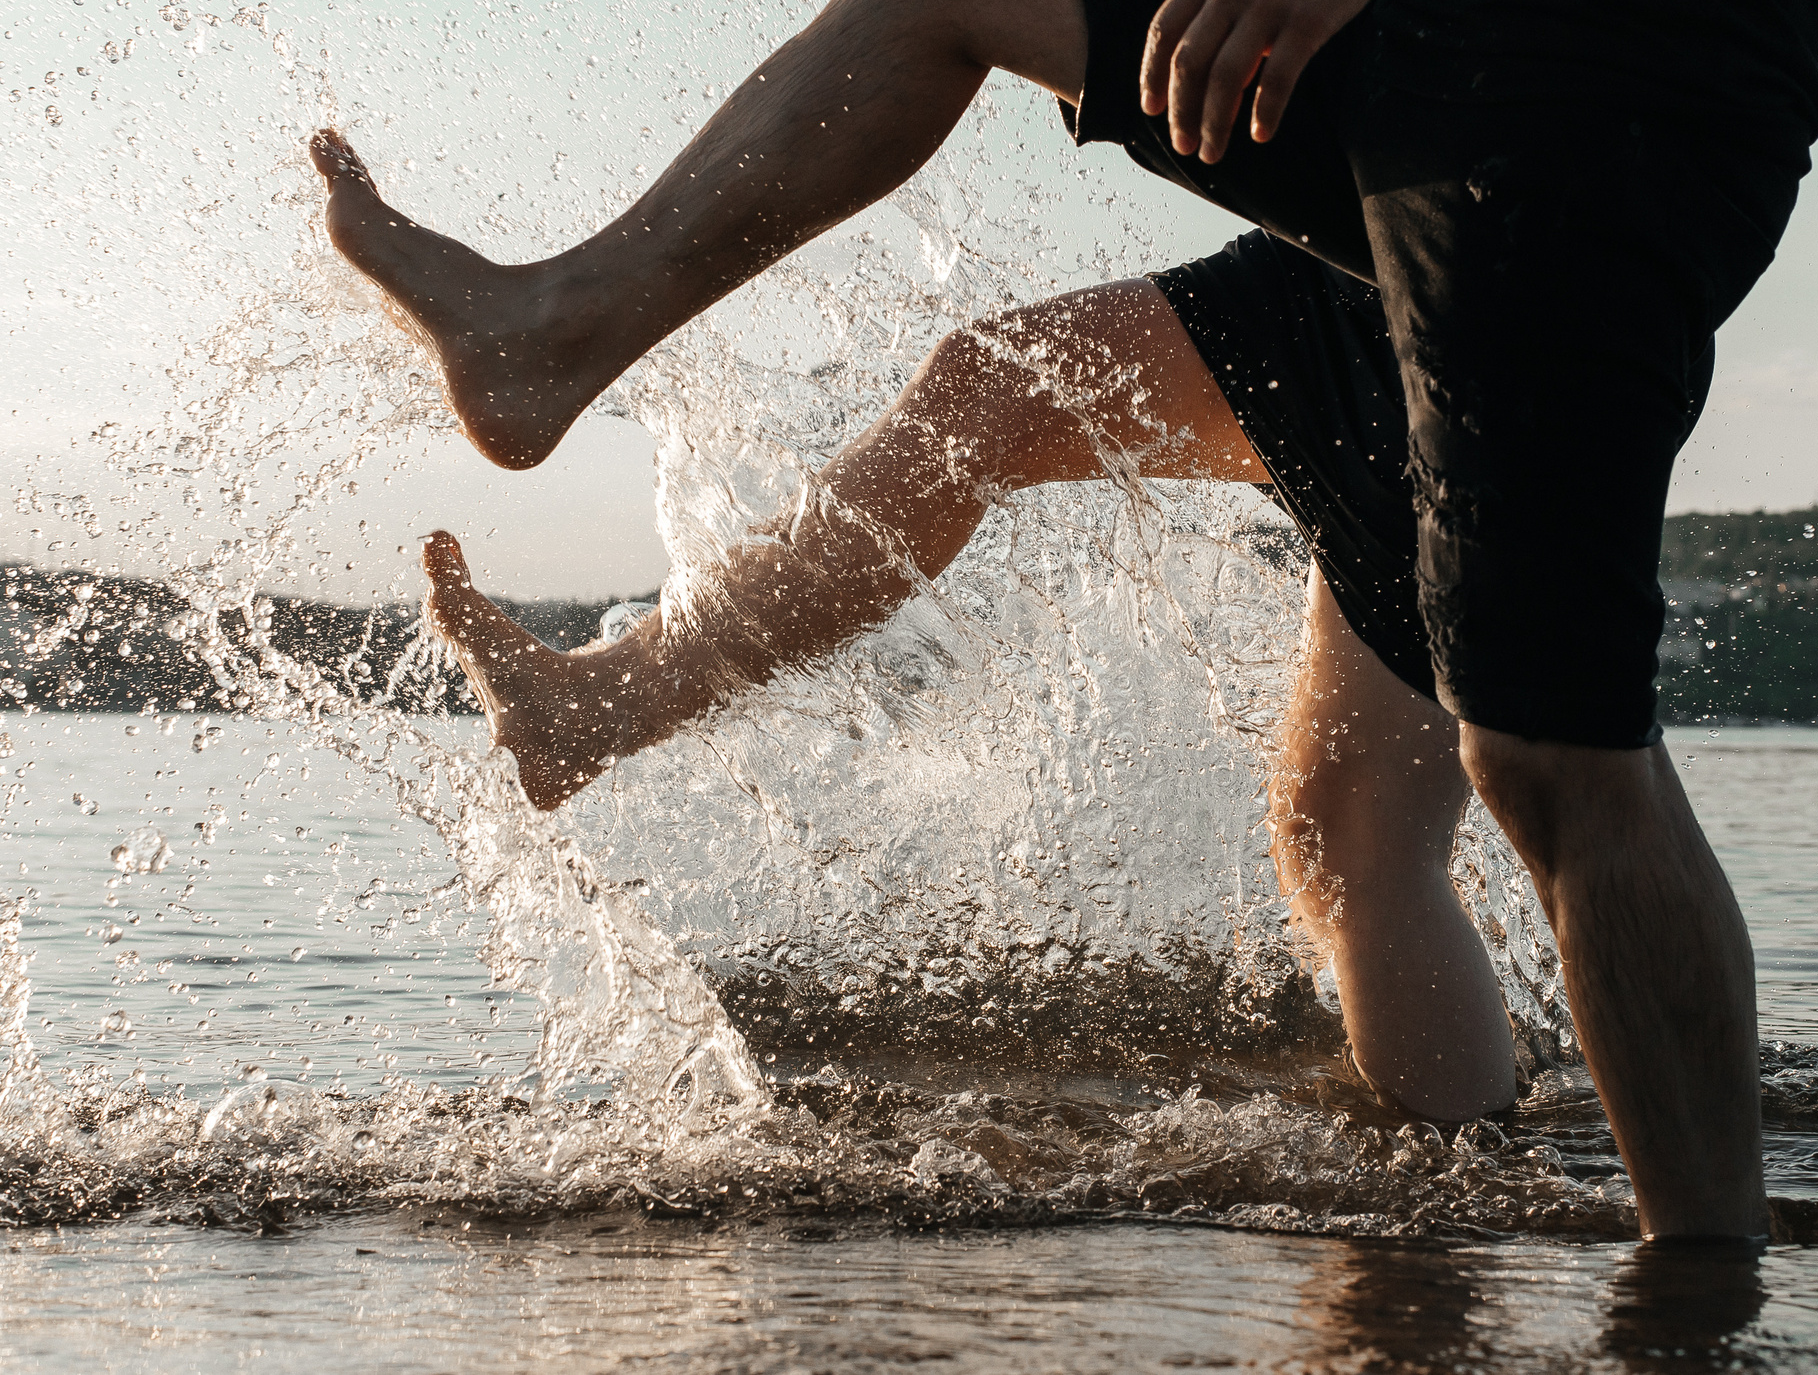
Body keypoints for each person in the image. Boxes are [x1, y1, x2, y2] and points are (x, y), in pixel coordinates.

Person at [312, 0, 1818, 1241]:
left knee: (1561, 766)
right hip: (1393, 213)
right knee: (1335, 803)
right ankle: (1448, 1224)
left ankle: (1707, 1287)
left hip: (1571, 159)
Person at [415, 231, 1519, 1125]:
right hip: (1486, 263)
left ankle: (605, 700)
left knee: (983, 394)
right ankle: (1457, 1201)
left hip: (1427, 252)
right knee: (1359, 842)